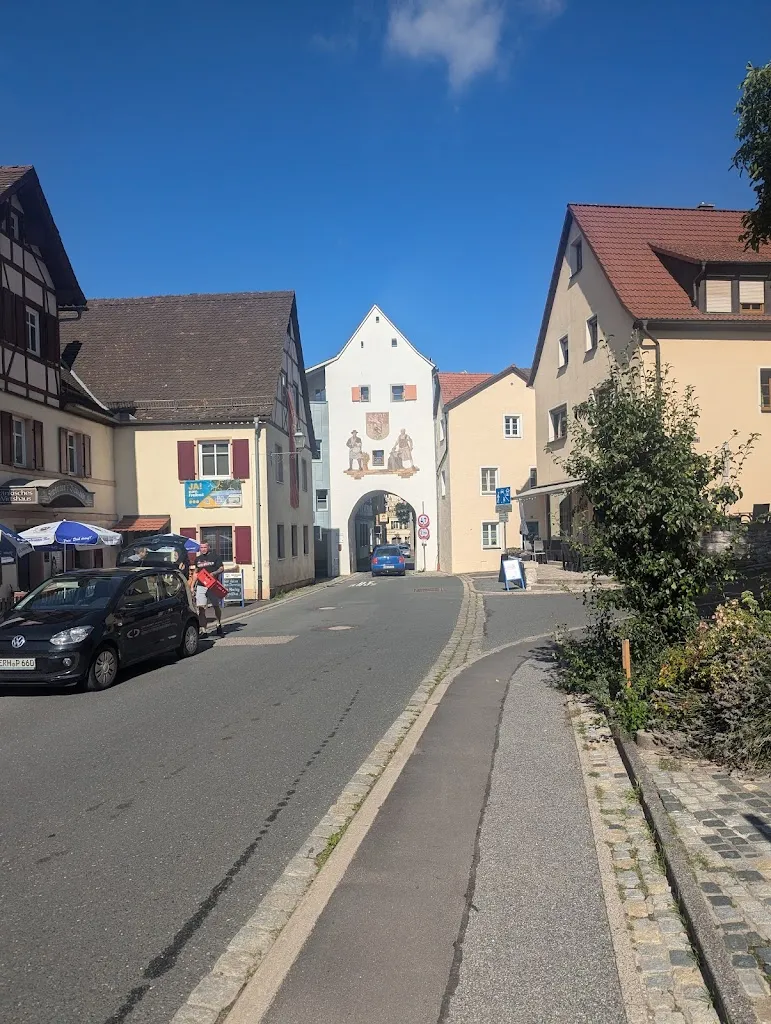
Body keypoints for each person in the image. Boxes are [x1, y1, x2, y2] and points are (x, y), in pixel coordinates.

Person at [191, 541, 225, 637]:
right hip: (201, 586)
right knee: (201, 608)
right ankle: (204, 630)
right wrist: (192, 585)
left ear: (208, 547)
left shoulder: (215, 557)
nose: (203, 549)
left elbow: (221, 568)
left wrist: (213, 573)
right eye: (201, 547)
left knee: (216, 606)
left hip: (212, 585)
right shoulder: (198, 559)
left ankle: (218, 623)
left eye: (205, 547)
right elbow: (196, 573)